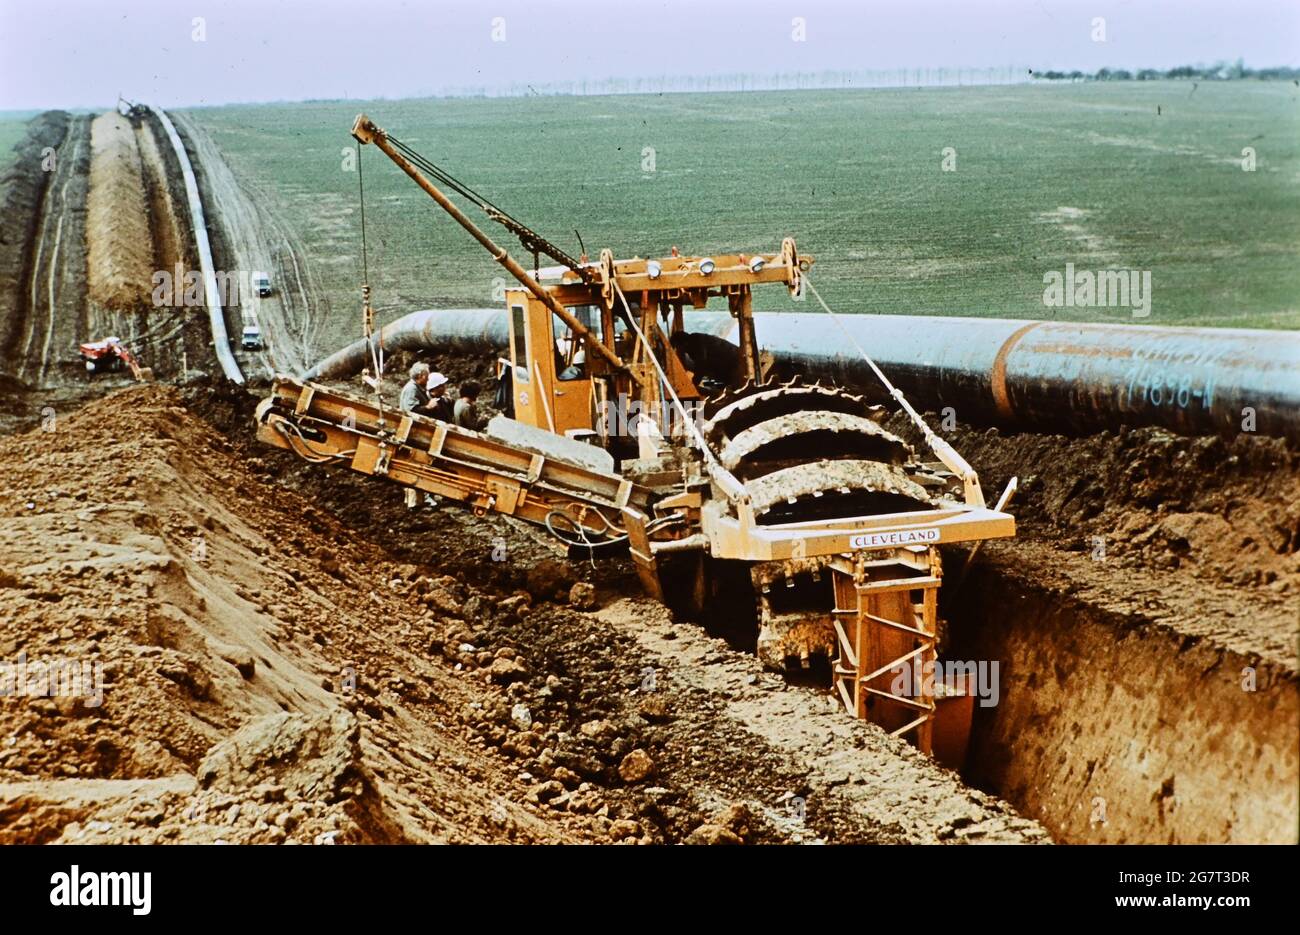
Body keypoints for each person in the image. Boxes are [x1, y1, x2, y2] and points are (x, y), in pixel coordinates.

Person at [669, 330, 741, 391]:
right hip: (728, 363)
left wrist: (695, 382)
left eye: (677, 347)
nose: (678, 350)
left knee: (730, 388)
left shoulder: (695, 342)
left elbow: (701, 363)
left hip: (734, 362)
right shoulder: (693, 340)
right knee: (708, 384)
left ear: (681, 343)